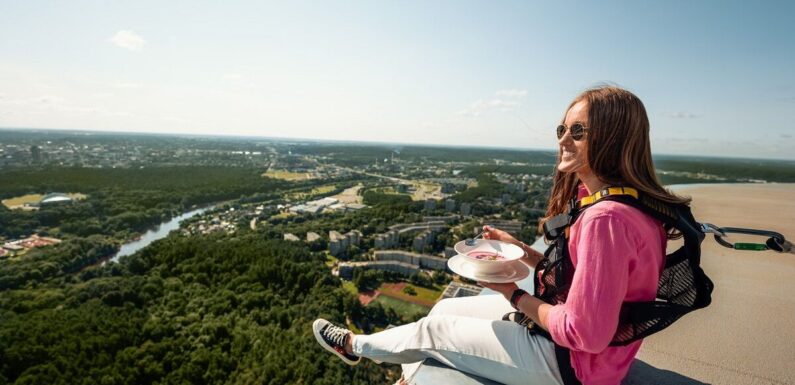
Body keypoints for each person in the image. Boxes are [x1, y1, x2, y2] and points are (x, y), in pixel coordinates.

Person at [312, 85, 692, 385]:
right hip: (594, 358)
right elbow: (586, 284)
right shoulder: (624, 205)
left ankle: (355, 345)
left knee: (435, 329)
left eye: (578, 131)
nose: (563, 139)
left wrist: (514, 294)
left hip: (575, 367)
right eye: (562, 129)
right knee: (444, 308)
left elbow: (585, 333)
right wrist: (522, 251)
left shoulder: (606, 219)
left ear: (613, 138)